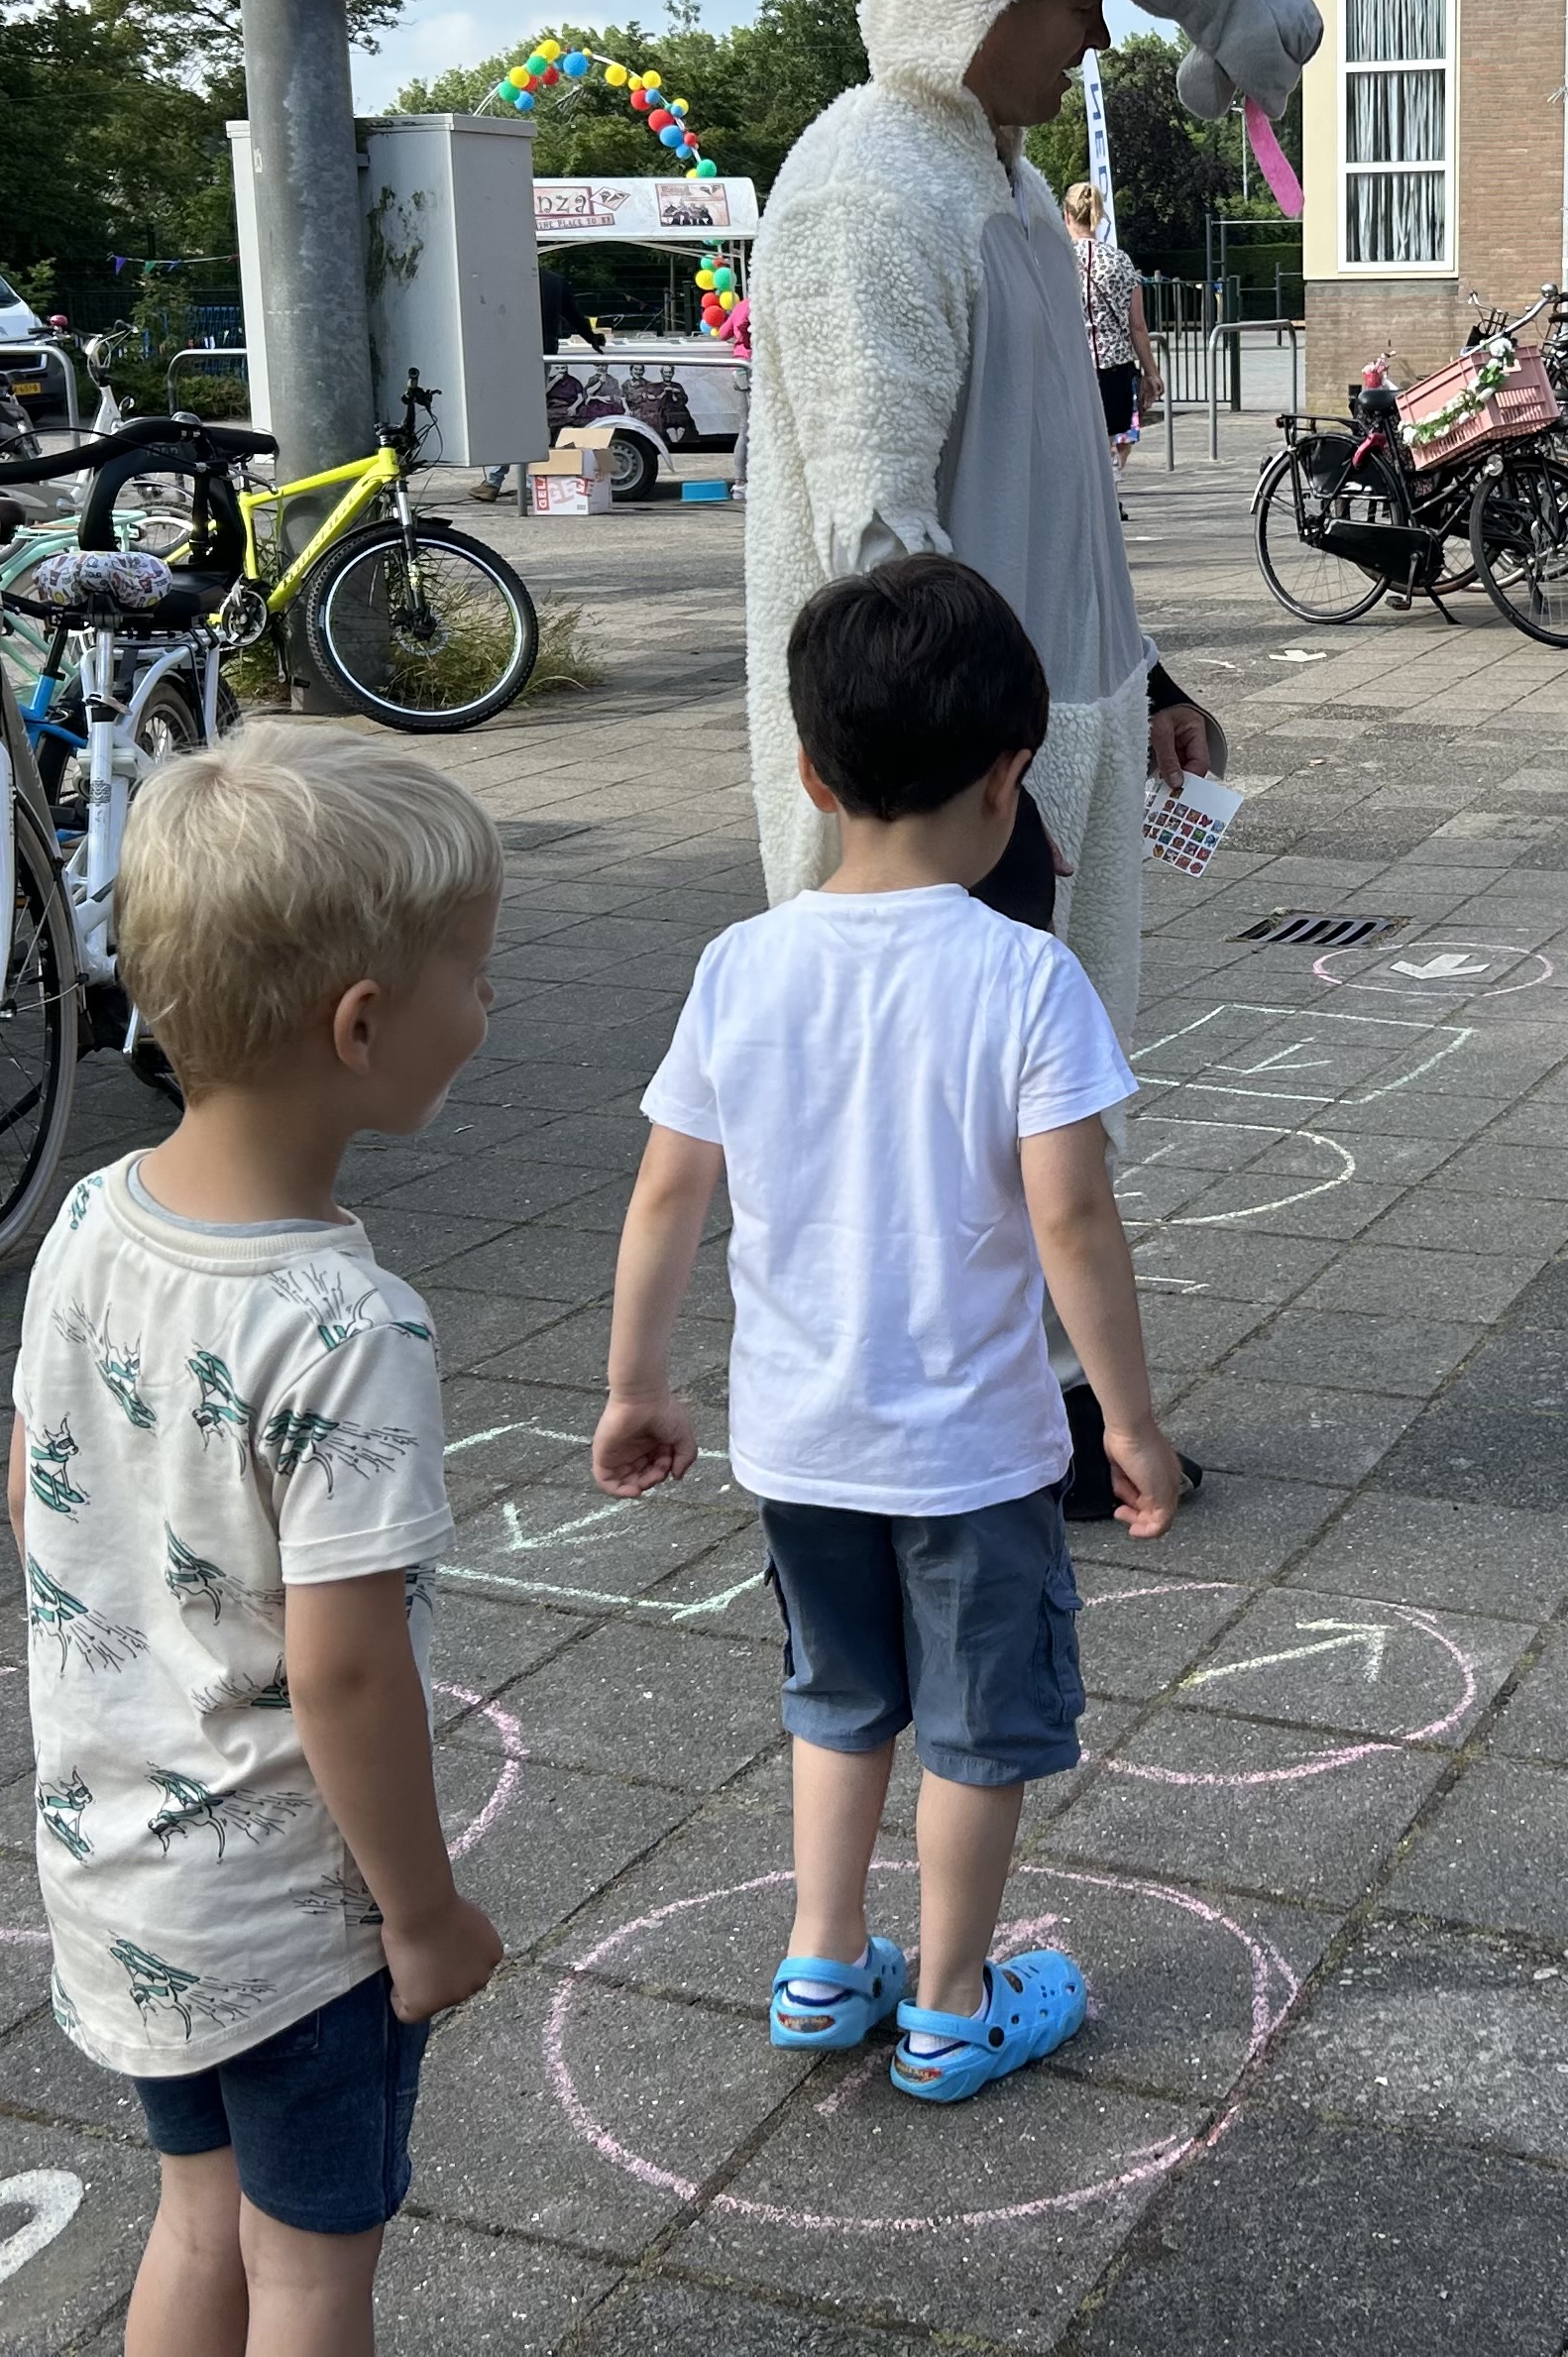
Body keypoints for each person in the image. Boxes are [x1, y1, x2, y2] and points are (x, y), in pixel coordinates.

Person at [744, 0, 1320, 1516]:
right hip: (942, 768)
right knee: (936, 1116)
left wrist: (1135, 676)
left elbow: (1042, 480)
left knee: (1042, 1107)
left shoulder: (983, 172)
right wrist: (956, 786)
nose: (1088, 34)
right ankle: (932, 1428)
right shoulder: (867, 185)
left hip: (1035, 731)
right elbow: (873, 531)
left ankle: (1045, 1391)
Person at [591, 555, 1184, 2101]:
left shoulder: (744, 963)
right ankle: (948, 2002)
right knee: (981, 1729)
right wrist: (1124, 1421)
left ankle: (818, 1957)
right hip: (974, 1454)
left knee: (838, 1699)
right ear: (1011, 781)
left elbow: (665, 1198)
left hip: (801, 1441)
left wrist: (637, 1385)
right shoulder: (1027, 980)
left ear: (810, 771)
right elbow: (1073, 1221)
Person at [6, 727, 506, 2355]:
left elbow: (33, 1490)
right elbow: (344, 1668)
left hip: (120, 1877)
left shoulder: (86, 1219)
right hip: (293, 1920)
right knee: (307, 2272)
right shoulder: (345, 1322)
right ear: (361, 1026)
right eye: (472, 976)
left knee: (200, 2216)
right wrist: (422, 1911)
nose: (485, 1008)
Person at [474, 261, 611, 501]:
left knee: (513, 415)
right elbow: (573, 314)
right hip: (543, 351)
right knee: (529, 414)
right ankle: (523, 480)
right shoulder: (554, 281)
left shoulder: (506, 278)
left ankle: (499, 480)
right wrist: (592, 338)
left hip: (512, 350)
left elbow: (493, 313)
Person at [1062, 181, 1160, 479]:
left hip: (1073, 367)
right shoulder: (1120, 261)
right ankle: (1109, 495)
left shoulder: (1057, 261)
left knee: (1076, 446)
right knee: (1112, 440)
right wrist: (1151, 372)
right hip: (1115, 369)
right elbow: (1138, 326)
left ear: (1066, 215)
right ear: (1099, 215)